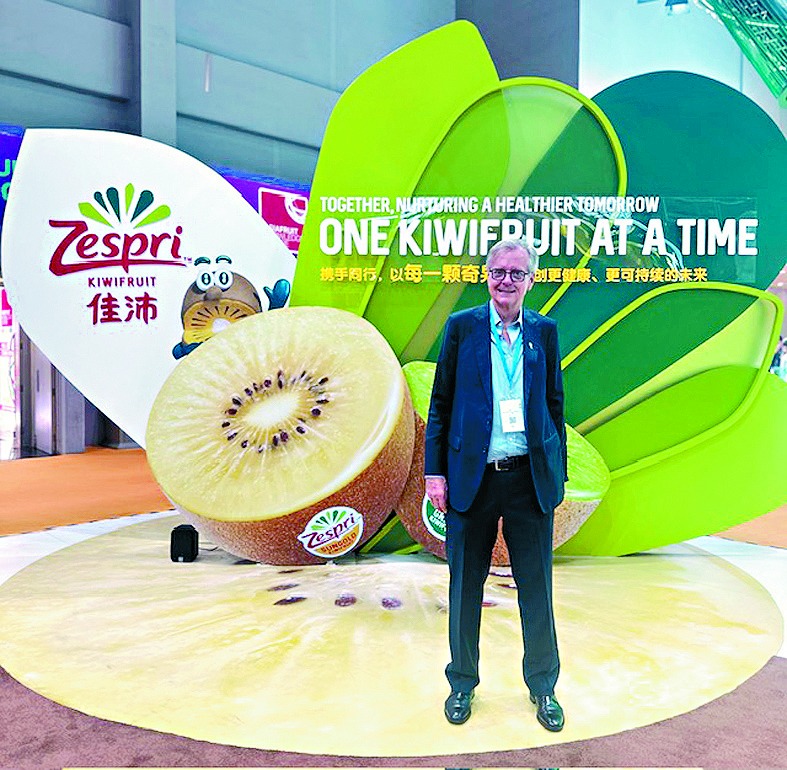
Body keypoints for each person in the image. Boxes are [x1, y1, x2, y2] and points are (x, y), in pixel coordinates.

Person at [424, 238, 567, 731]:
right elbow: (440, 403)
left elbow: (555, 404)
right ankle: (462, 683)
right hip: (473, 479)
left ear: (531, 279)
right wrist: (434, 472)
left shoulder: (543, 333)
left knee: (537, 588)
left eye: (516, 273)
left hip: (528, 478)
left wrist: (558, 473)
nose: (506, 281)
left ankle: (543, 687)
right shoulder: (462, 328)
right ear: (486, 275)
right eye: (498, 271)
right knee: (465, 587)